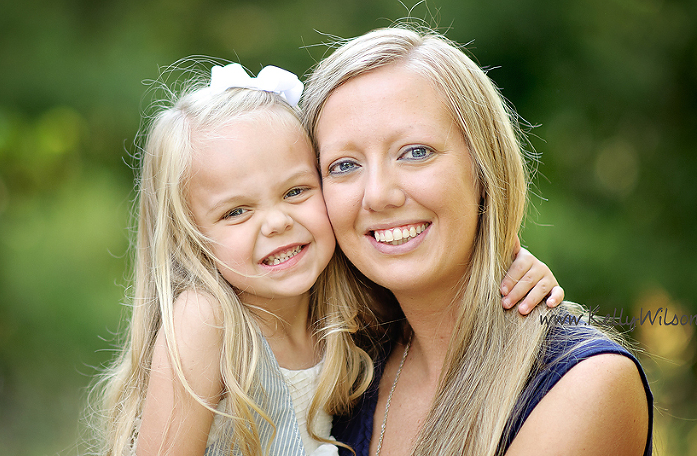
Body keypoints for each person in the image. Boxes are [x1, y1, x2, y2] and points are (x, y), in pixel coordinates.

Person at [91, 59, 564, 456]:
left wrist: (511, 264)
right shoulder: (207, 320)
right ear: (190, 236)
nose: (276, 223)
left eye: (296, 191)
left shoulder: (344, 311)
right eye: (236, 212)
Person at [300, 25, 653, 456]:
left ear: (484, 170)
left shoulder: (585, 383)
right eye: (344, 165)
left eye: (415, 152)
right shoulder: (337, 369)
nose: (378, 195)